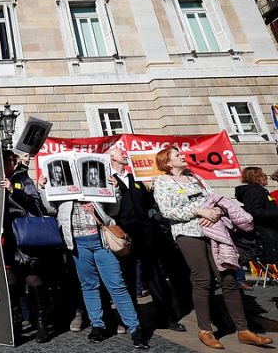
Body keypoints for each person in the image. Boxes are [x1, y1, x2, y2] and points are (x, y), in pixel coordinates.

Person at [153, 147, 272, 349]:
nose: (183, 156)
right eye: (177, 155)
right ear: (168, 162)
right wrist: (199, 211)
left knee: (228, 277)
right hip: (188, 233)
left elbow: (216, 199)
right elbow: (167, 211)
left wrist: (215, 212)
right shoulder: (162, 183)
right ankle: (205, 330)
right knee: (203, 280)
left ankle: (244, 330)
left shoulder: (196, 178)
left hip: (215, 231)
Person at [39, 170, 149, 349]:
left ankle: (135, 328)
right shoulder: (62, 188)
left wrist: (116, 191)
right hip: (78, 244)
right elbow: (51, 209)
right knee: (89, 285)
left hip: (102, 242)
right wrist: (43, 188)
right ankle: (97, 324)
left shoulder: (95, 184)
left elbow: (114, 210)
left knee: (117, 285)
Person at [108, 148, 186, 332]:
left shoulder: (136, 177)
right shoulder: (108, 179)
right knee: (128, 277)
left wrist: (154, 216)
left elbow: (150, 202)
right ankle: (133, 321)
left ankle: (166, 317)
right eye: (121, 153)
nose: (125, 154)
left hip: (147, 232)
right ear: (112, 158)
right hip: (125, 234)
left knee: (154, 275)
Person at [0, 151, 54, 343]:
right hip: (6, 240)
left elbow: (35, 203)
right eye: (3, 160)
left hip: (25, 237)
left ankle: (41, 324)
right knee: (11, 283)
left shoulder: (23, 180)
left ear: (14, 164)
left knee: (34, 281)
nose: (6, 164)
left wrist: (14, 191)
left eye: (9, 160)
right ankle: (16, 325)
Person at [235, 167, 278, 276]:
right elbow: (255, 211)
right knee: (271, 255)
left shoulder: (258, 190)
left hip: (269, 228)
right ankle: (272, 274)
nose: (264, 175)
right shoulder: (254, 191)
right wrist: (275, 213)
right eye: (261, 173)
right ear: (256, 177)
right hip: (266, 230)